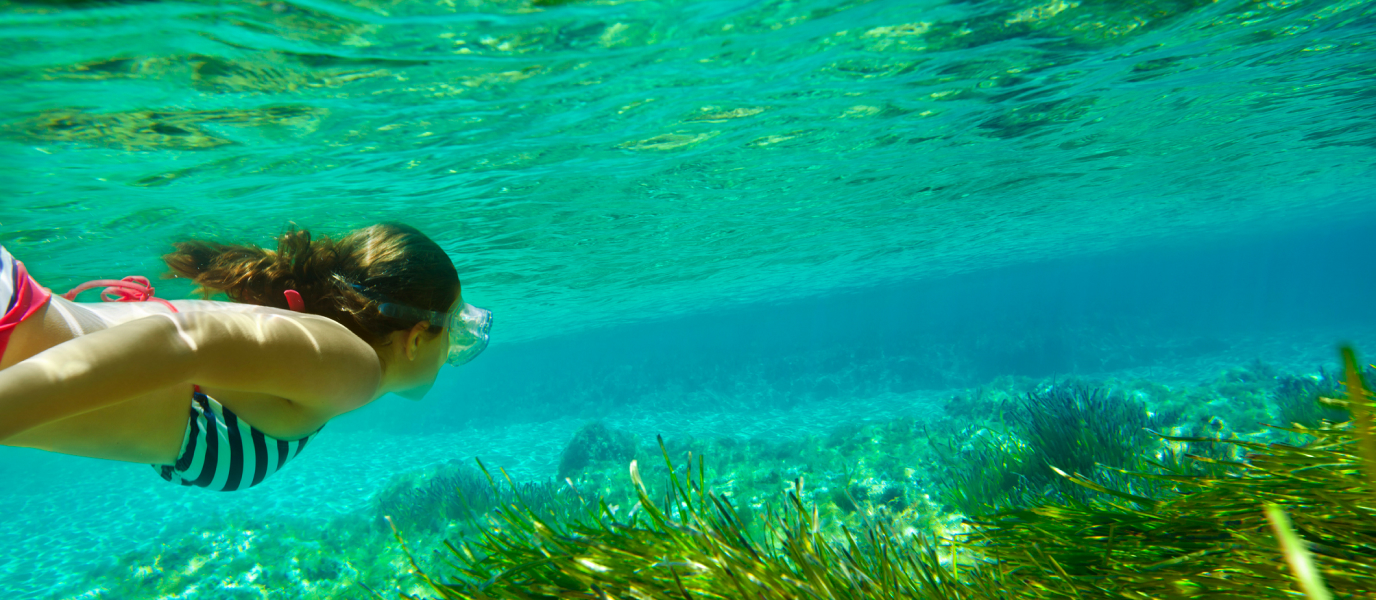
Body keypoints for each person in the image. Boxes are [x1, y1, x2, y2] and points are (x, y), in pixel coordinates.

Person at [0, 223, 491, 492]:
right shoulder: (354, 368)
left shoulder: (323, 367)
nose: (455, 351)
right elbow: (188, 340)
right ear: (417, 335)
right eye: (457, 328)